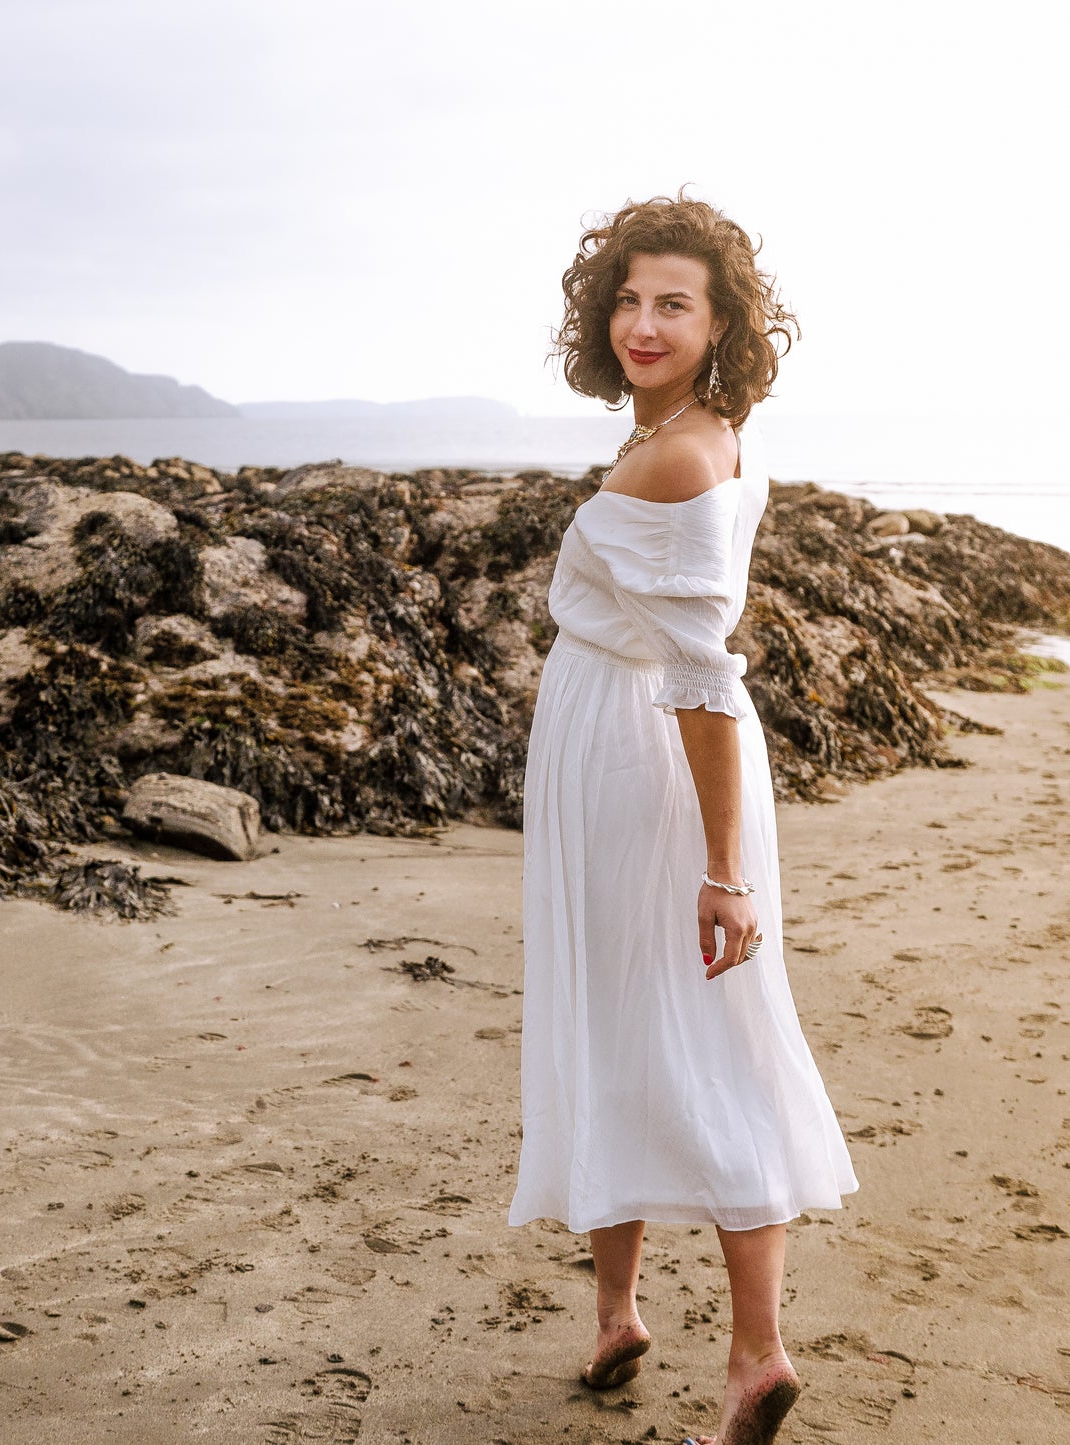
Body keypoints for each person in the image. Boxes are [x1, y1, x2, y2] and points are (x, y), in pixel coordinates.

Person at [507, 192, 859, 1445]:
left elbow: (704, 676)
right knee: (628, 1022)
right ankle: (617, 1314)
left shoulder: (673, 454)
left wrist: (724, 871)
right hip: (622, 751)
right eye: (627, 298)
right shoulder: (699, 432)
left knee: (698, 1039)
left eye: (674, 303)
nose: (642, 322)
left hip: (643, 765)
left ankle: (756, 1351)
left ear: (720, 326)